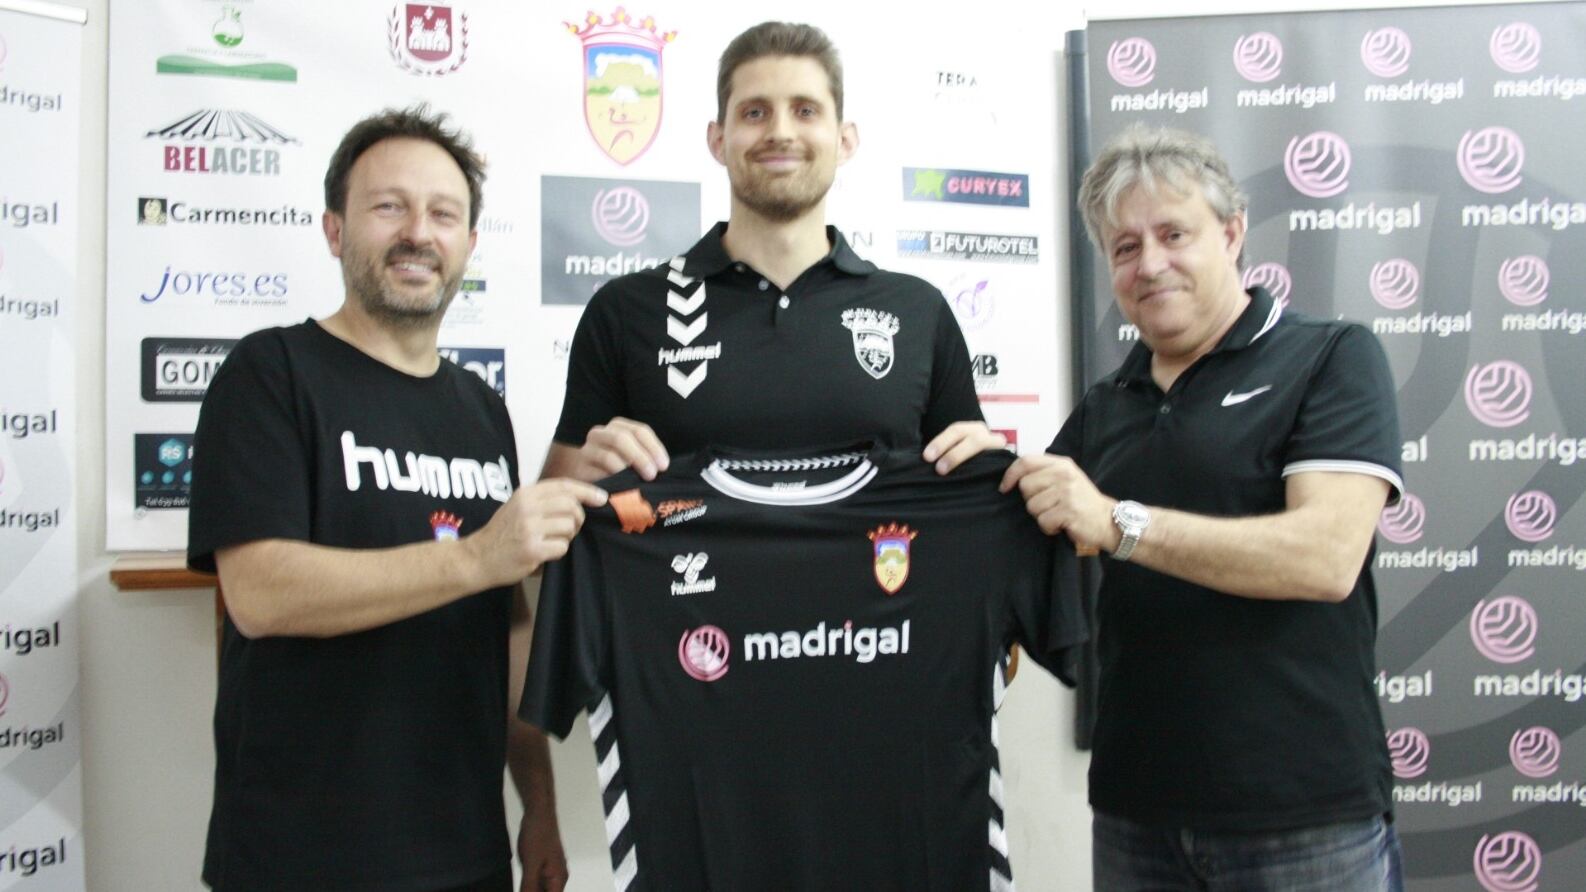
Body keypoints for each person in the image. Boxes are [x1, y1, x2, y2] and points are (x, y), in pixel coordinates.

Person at [187, 106, 605, 892]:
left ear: (470, 247)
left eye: (443, 213)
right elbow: (260, 593)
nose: (419, 231)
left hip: (465, 851)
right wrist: (480, 556)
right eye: (389, 207)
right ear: (335, 228)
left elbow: (506, 627)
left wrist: (540, 805)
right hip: (296, 861)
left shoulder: (482, 409)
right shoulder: (268, 375)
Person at [1001, 124, 1405, 890]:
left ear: (1231, 232)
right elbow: (1019, 547)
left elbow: (1326, 558)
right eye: (1124, 247)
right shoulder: (1104, 408)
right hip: (1136, 816)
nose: (1150, 263)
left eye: (1173, 233)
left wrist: (1122, 524)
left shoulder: (1331, 356)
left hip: (1304, 820)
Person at [542, 20, 1004, 484]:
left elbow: (969, 493)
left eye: (805, 111)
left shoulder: (918, 312)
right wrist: (582, 476)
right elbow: (554, 520)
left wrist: (993, 472)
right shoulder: (624, 311)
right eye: (755, 113)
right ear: (718, 140)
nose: (781, 132)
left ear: (845, 141)